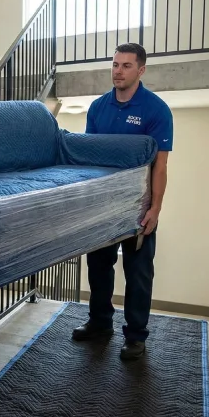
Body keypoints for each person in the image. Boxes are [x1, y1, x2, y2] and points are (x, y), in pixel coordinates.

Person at [71, 42, 172, 361]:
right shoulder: (98, 108)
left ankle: (136, 336)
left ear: (141, 70)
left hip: (139, 207)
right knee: (99, 267)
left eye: (126, 65)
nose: (118, 71)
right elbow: (91, 157)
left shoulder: (156, 110)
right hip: (104, 204)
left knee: (138, 272)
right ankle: (100, 323)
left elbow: (160, 166)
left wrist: (155, 208)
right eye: (115, 64)